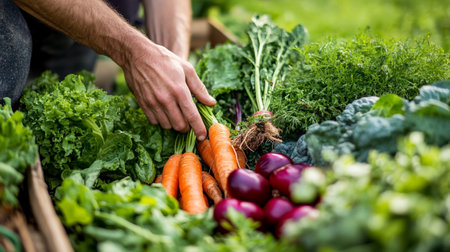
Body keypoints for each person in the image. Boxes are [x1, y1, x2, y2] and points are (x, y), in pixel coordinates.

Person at [0, 0, 215, 141]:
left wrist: (173, 60)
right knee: (12, 53)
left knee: (61, 128)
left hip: (93, 13)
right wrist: (131, 50)